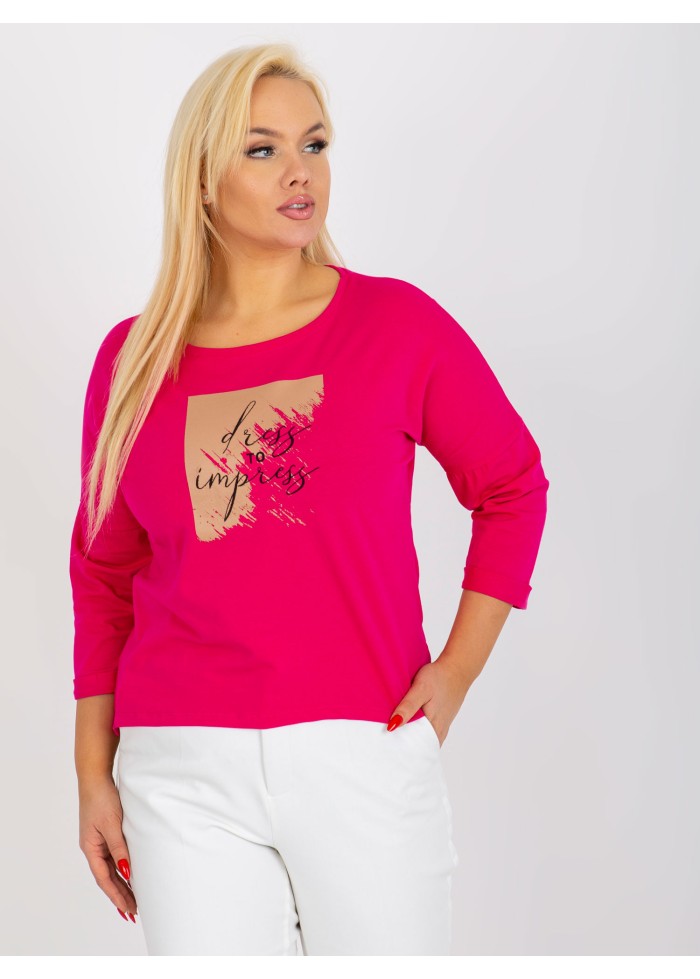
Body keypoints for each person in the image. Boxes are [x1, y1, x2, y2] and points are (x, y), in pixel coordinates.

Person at [71, 42, 549, 956]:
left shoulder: (396, 325)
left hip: (362, 746)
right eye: (262, 149)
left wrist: (454, 674)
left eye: (315, 144)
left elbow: (511, 485)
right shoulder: (132, 360)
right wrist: (94, 771)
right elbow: (103, 571)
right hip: (181, 764)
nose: (301, 171)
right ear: (202, 182)